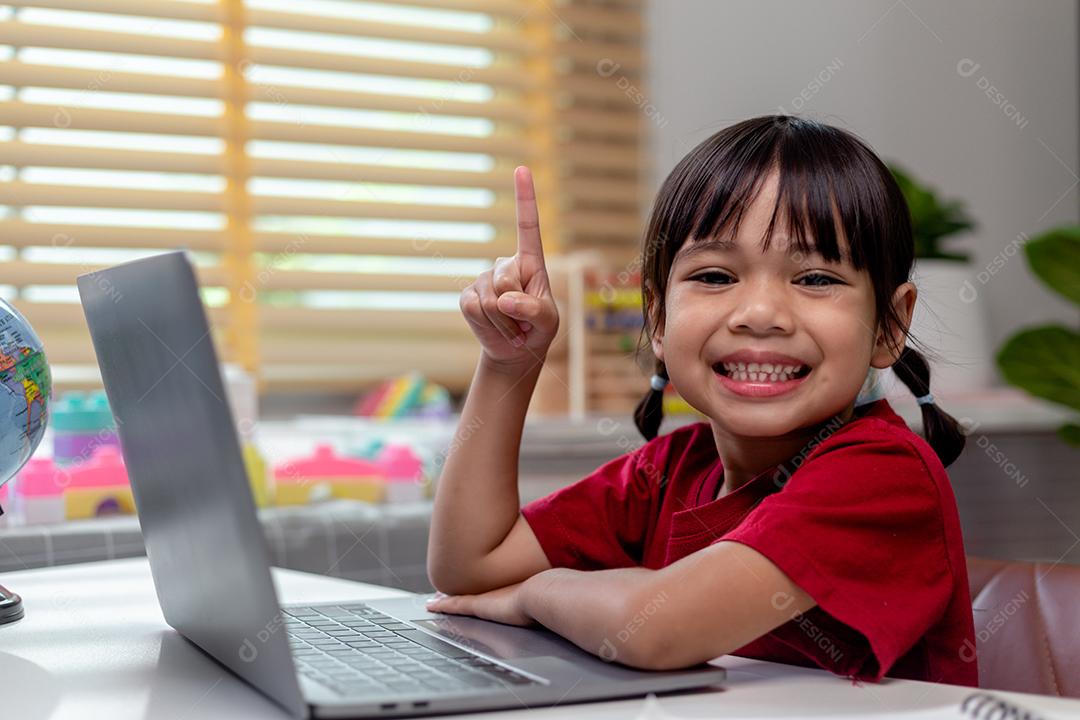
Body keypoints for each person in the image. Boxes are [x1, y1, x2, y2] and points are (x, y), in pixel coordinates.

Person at [425, 115, 977, 686]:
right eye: (715, 276)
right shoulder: (672, 469)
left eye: (815, 279)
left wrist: (534, 593)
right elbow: (471, 568)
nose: (760, 314)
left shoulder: (883, 474)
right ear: (658, 318)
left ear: (889, 324)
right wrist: (509, 365)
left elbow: (654, 628)